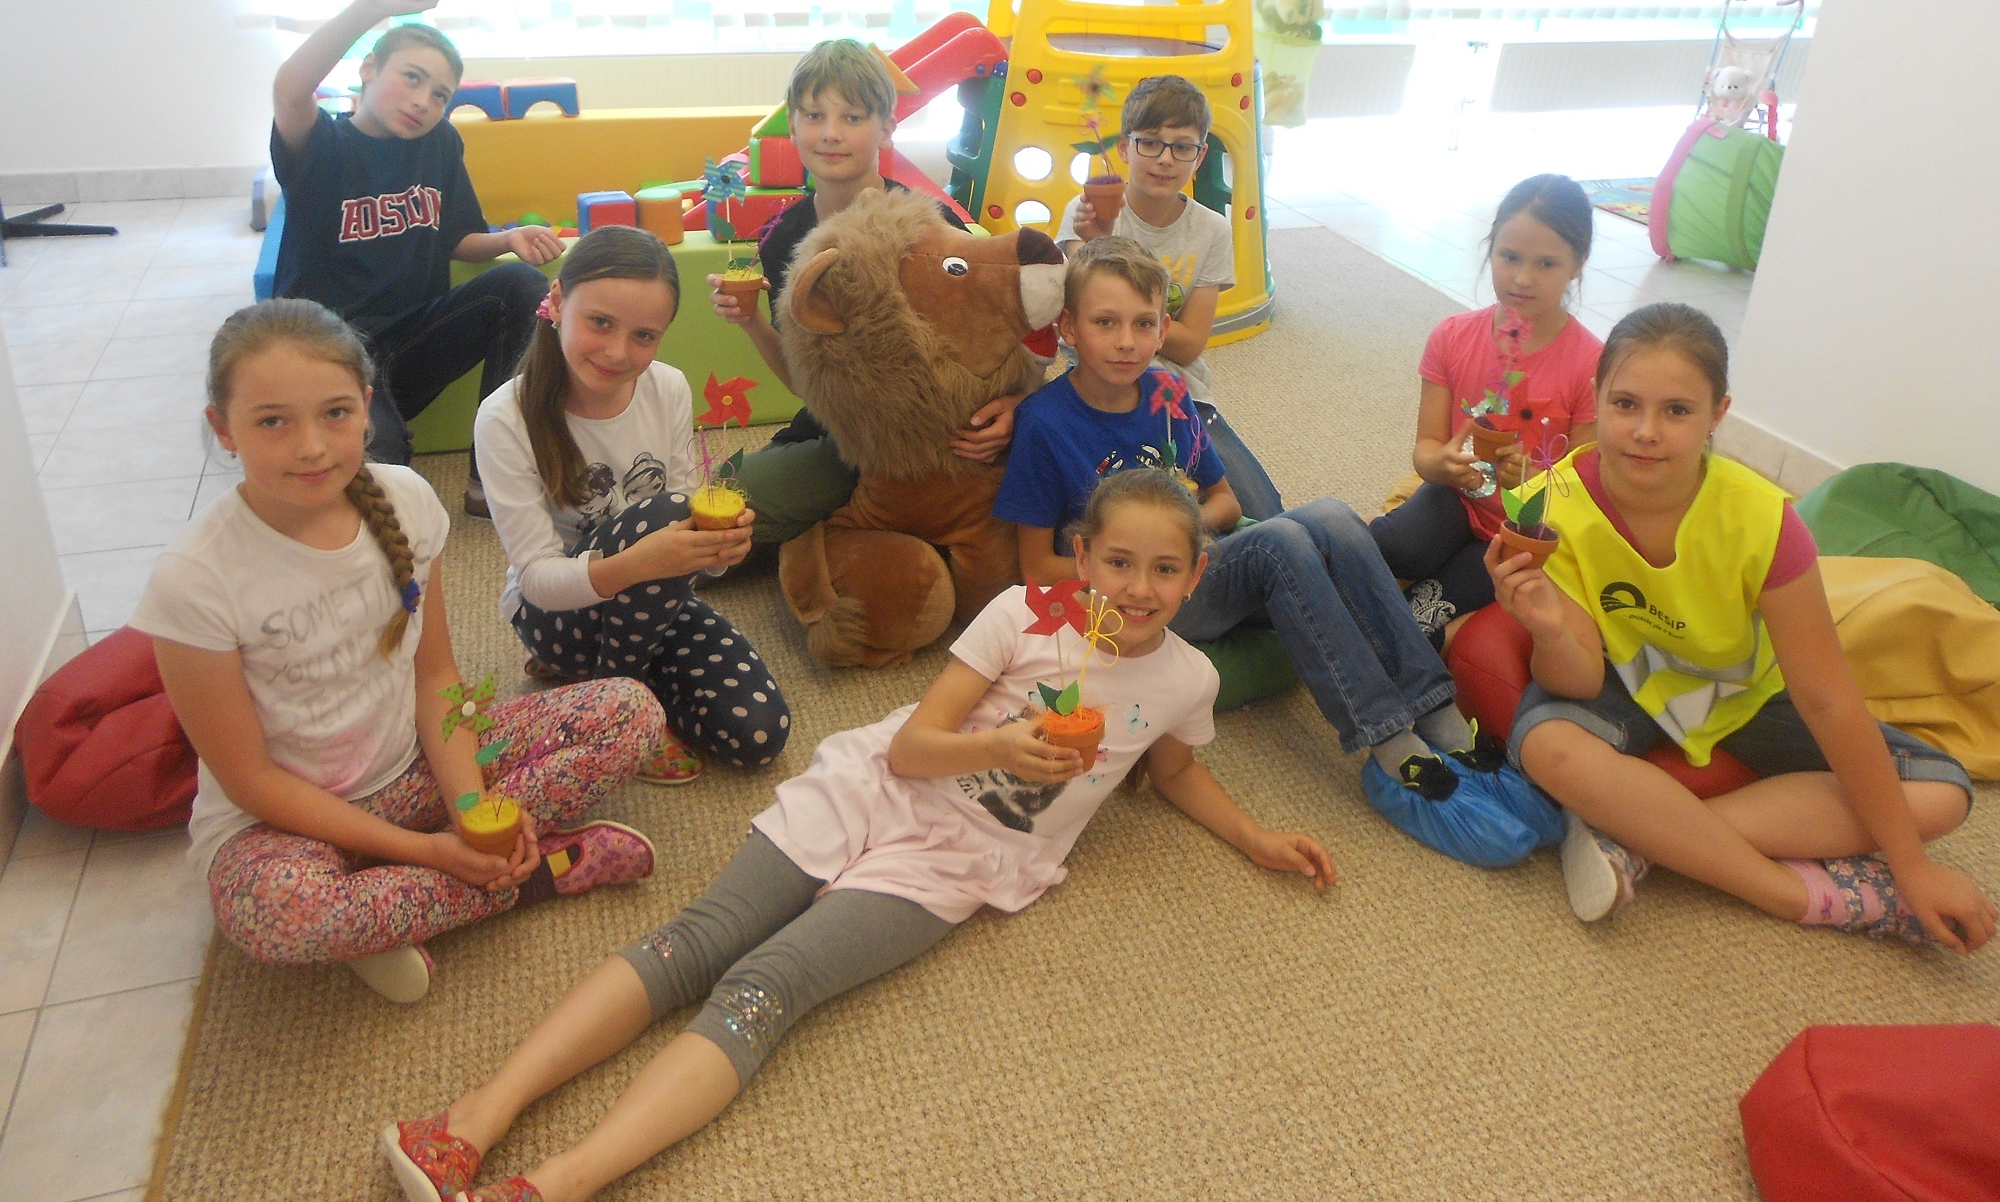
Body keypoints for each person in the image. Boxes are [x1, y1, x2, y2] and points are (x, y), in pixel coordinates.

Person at [379, 470, 1334, 1202]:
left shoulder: (1188, 679)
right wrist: (1003, 744)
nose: (1139, 588)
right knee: (696, 941)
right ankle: (475, 1117)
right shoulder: (1020, 616)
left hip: (959, 860)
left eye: (1165, 569)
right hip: (878, 784)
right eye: (1119, 563)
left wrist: (1252, 836)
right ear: (1081, 558)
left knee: (766, 989)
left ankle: (553, 1186)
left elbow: (1174, 771)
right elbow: (916, 748)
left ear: (1197, 574)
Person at [132, 300, 664, 1006]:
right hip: (284, 822)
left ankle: (399, 901)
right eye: (272, 422)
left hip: (411, 772)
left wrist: (472, 813)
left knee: (631, 713)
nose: (311, 447)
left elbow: (436, 678)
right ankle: (531, 871)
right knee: (281, 913)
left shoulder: (407, 500)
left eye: (335, 413)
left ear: (367, 407)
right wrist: (431, 848)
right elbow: (251, 780)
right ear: (223, 429)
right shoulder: (194, 579)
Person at [993, 237, 1550, 867]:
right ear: (1068, 328)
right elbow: (1036, 570)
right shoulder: (1044, 422)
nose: (1126, 342)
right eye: (1105, 323)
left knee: (1333, 516)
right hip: (1125, 602)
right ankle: (1390, 743)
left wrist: (1178, 540)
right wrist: (1145, 561)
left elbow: (1225, 501)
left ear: (1163, 330)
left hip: (1192, 568)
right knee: (1282, 540)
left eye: (1143, 324)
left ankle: (1438, 711)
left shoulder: (1168, 394)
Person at [1489, 302, 1995, 951]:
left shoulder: (1765, 519)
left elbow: (1827, 697)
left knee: (1942, 794)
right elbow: (1578, 680)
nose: (1645, 431)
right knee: (1548, 746)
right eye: (1625, 404)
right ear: (1596, 397)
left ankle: (1642, 834)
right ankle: (1789, 893)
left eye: (1677, 411)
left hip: (1742, 691)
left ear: (1717, 414)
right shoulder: (1550, 504)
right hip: (1622, 679)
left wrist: (1913, 866)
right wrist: (1549, 628)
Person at [473, 225, 790, 784]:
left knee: (759, 734)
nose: (618, 352)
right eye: (600, 322)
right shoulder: (505, 418)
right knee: (668, 512)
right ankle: (613, 704)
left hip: (652, 605)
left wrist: (717, 548)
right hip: (556, 615)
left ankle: (607, 684)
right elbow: (539, 580)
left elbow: (687, 539)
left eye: (644, 335)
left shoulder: (667, 388)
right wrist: (647, 560)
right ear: (556, 301)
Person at [270, 0, 562, 517]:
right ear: (368, 70)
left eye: (440, 95)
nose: (424, 102)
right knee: (386, 473)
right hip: (326, 355)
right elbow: (288, 90)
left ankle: (491, 478)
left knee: (523, 287)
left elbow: (457, 239)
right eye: (412, 78)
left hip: (407, 345)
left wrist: (508, 239)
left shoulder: (440, 144)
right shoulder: (323, 145)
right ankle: (373, 439)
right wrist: (370, 7)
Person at [706, 38, 1023, 552]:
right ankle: (857, 522)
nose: (830, 133)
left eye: (852, 117)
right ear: (792, 125)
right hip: (843, 432)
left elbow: (999, 338)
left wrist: (1014, 405)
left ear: (887, 128)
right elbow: (806, 382)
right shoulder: (784, 237)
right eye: (814, 116)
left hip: (936, 440)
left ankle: (861, 525)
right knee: (723, 509)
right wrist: (750, 322)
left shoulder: (928, 224)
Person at [1371, 174, 1601, 651]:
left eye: (1547, 263)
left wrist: (1533, 481)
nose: (1522, 278)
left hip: (1517, 533)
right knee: (1383, 550)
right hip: (1455, 498)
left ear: (1578, 264)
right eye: (1509, 257)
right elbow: (1426, 450)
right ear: (1489, 248)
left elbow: (1584, 494)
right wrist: (1441, 464)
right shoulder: (1452, 337)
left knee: (1418, 624)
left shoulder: (1592, 365)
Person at [1057, 75, 1283, 520]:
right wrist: (1098, 243)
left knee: (1265, 514)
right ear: (1124, 148)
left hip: (1185, 396)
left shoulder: (1212, 230)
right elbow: (1084, 324)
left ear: (1200, 157)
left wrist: (1125, 313)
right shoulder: (1090, 214)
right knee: (1105, 513)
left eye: (1182, 147)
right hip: (1104, 390)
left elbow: (1191, 344)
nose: (1165, 159)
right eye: (1150, 143)